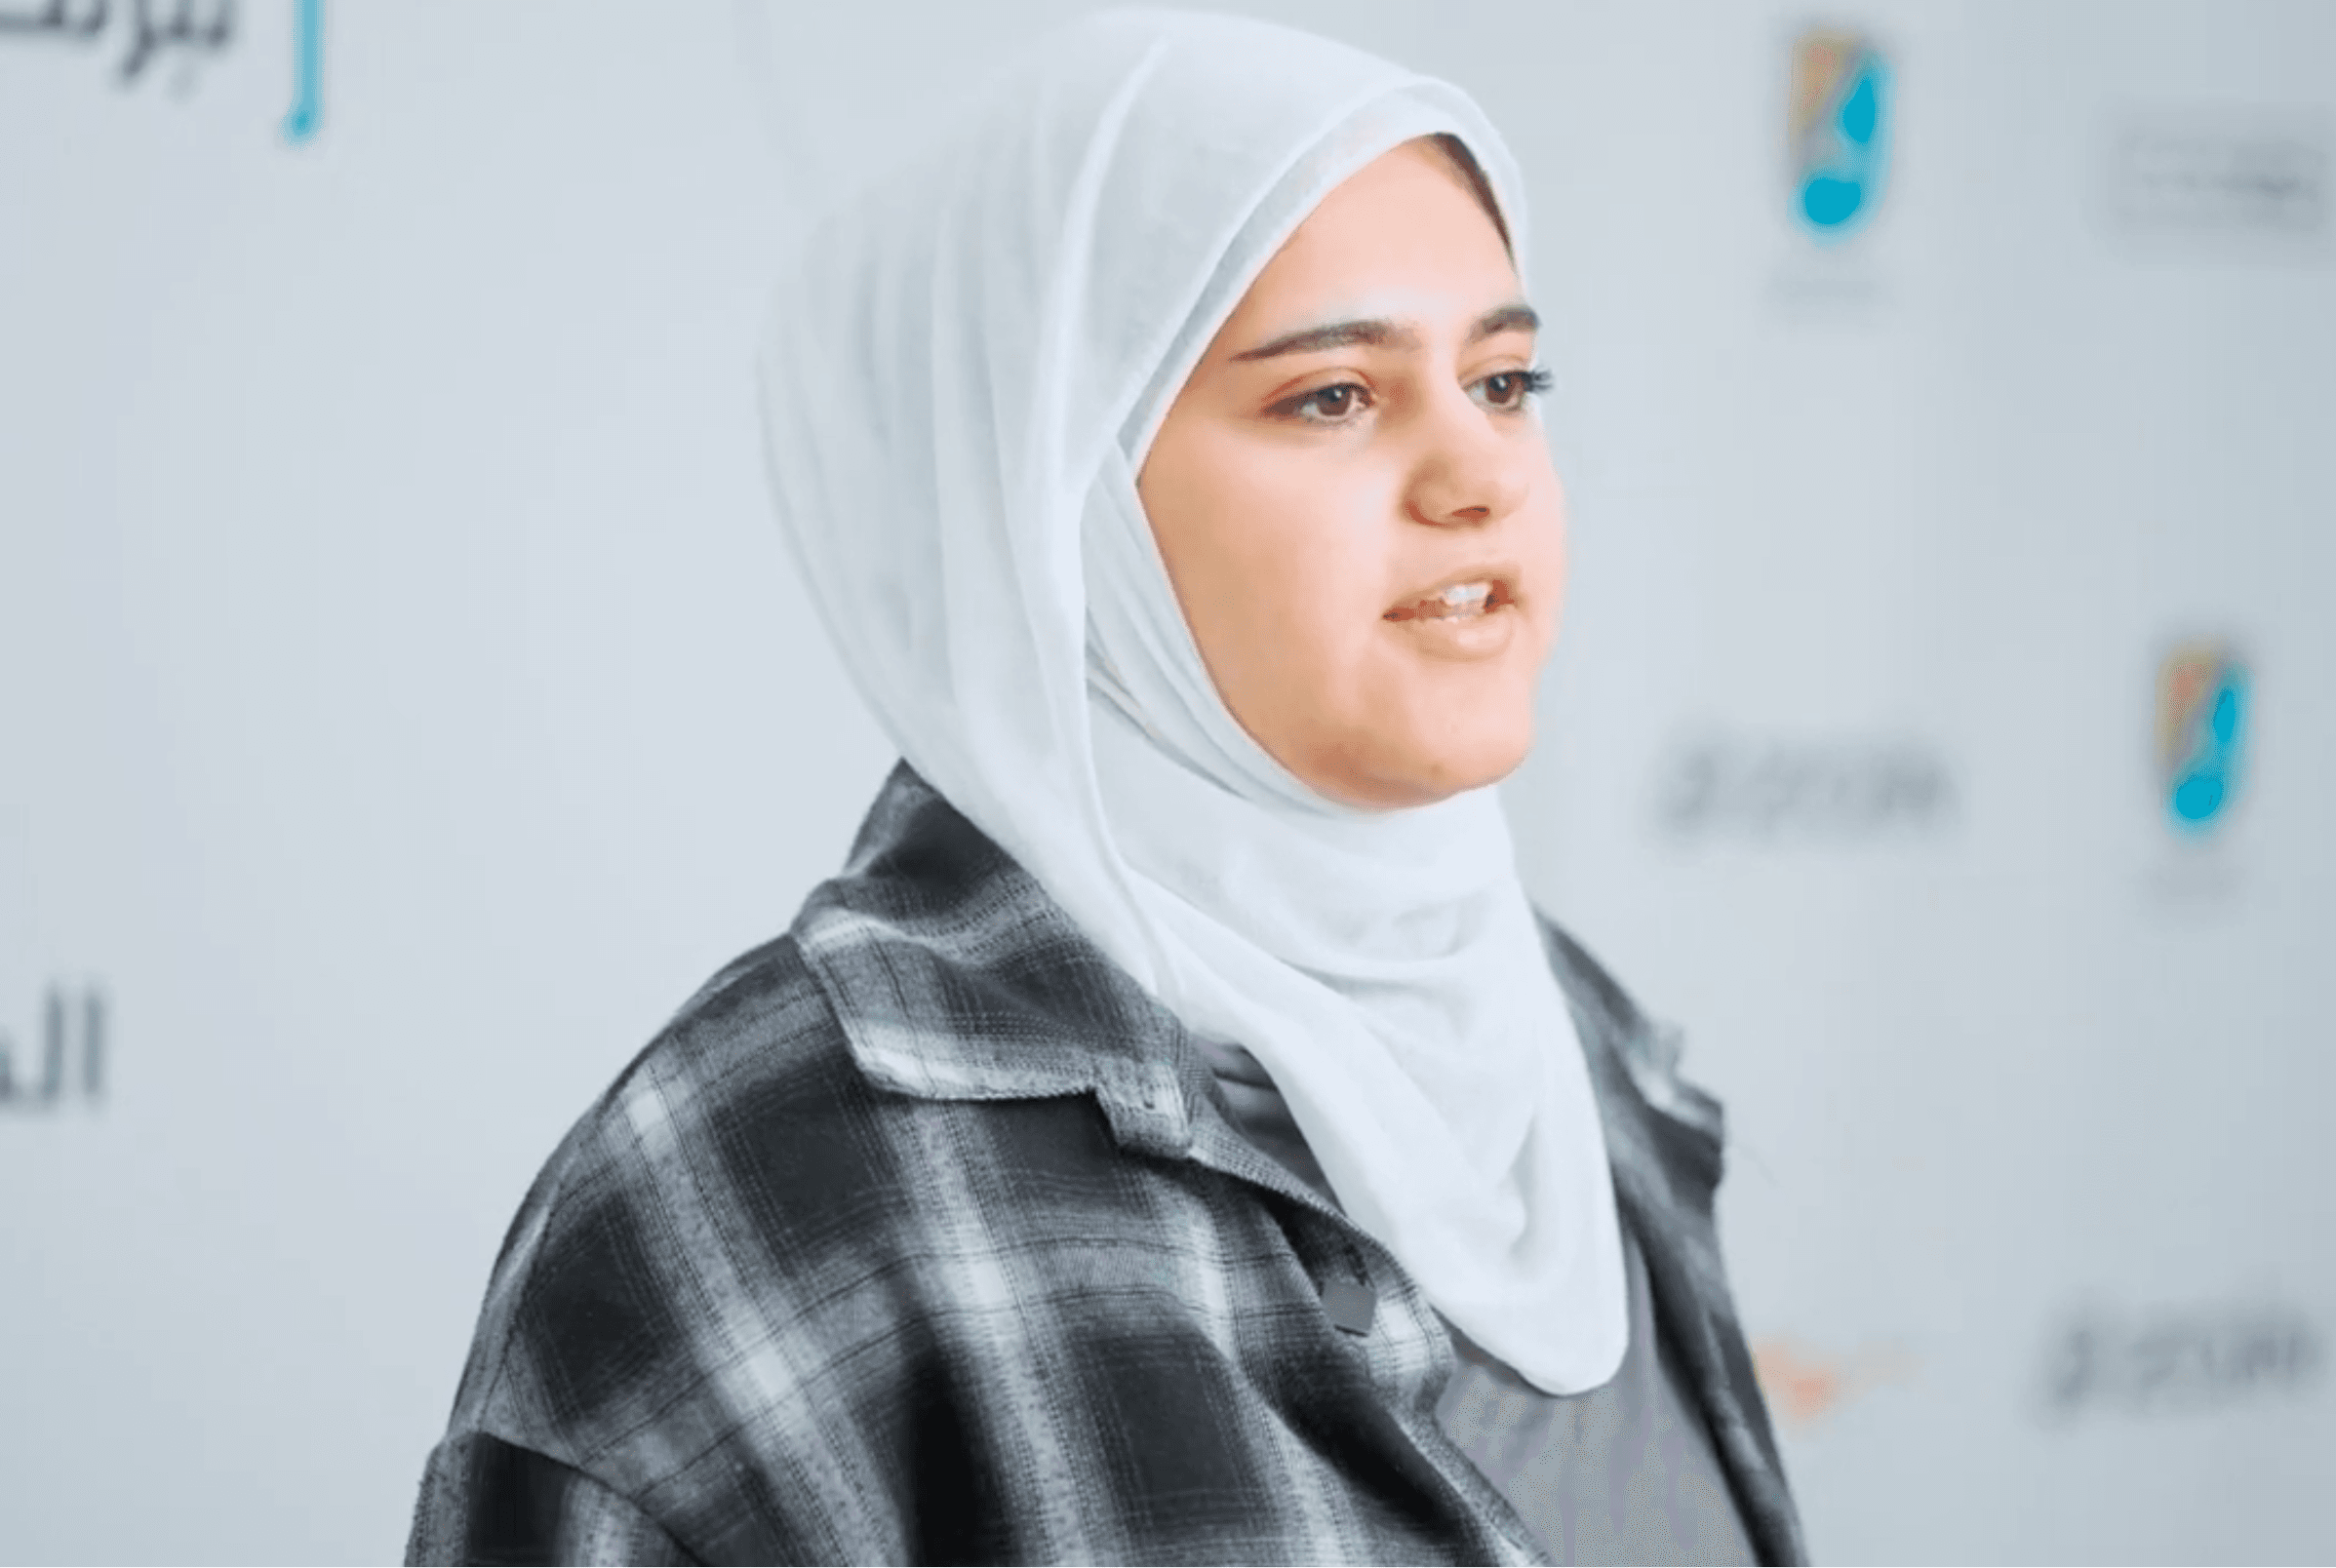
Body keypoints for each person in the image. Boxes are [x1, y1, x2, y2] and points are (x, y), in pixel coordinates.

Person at [405, 10, 1803, 1565]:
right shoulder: (767, 1168)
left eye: (1504, 378)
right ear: (1056, 493)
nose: (1479, 475)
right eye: (1333, 396)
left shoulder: (1574, 1052)